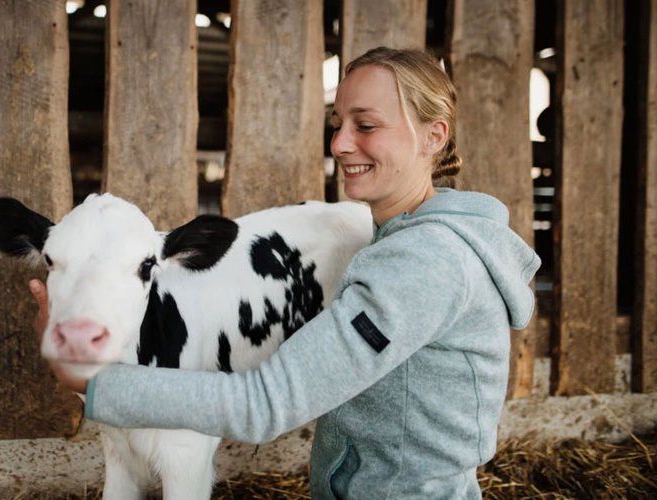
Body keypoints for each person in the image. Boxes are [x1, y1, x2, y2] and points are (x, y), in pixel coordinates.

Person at [29, 46, 540, 499]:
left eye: (366, 125)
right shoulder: (393, 241)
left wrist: (92, 383)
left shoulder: (423, 264)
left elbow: (265, 404)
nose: (340, 144)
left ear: (434, 136)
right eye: (336, 124)